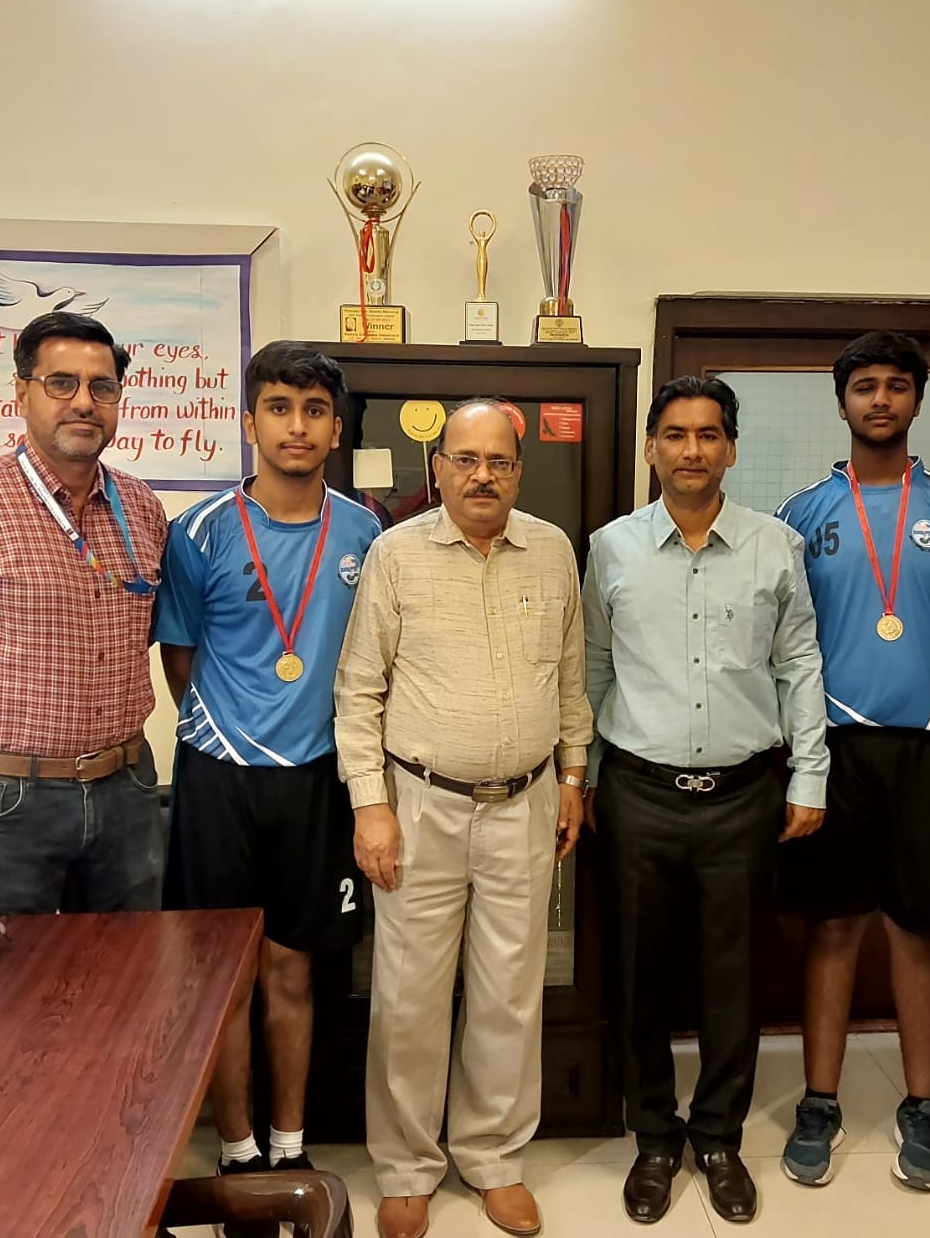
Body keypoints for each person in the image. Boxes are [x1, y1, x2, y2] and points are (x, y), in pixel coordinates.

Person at [334, 398, 591, 1238]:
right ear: (436, 469)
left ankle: (492, 1158)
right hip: (420, 805)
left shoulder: (552, 551)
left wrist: (574, 773)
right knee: (407, 996)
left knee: (509, 996)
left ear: (521, 470)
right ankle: (407, 1165)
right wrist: (371, 805)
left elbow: (570, 679)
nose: (484, 475)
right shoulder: (394, 555)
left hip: (523, 802)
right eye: (466, 459)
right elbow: (358, 690)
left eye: (501, 461)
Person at [582, 374, 829, 1225]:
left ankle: (718, 1137)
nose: (692, 450)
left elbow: (800, 665)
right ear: (652, 446)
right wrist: (579, 782)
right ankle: (654, 1136)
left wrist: (809, 775)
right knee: (638, 973)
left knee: (735, 977)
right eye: (676, 434)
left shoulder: (774, 546)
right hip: (638, 795)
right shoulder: (609, 547)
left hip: (743, 798)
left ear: (730, 447)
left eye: (709, 434)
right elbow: (592, 671)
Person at [152, 342, 380, 1231]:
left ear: (335, 426)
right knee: (224, 978)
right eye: (279, 407)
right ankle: (237, 1147)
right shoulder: (200, 529)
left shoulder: (365, 531)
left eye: (315, 409)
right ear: (249, 421)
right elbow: (181, 655)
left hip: (318, 780)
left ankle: (290, 1143)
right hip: (218, 778)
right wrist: (229, 730)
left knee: (296, 969)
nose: (297, 424)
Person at [773, 331, 930, 1192]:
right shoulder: (802, 513)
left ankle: (923, 1105)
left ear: (916, 401)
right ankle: (820, 1102)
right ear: (842, 403)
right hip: (829, 749)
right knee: (832, 927)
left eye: (896, 386)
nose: (879, 399)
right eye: (864, 386)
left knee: (919, 932)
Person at [0, 311, 166, 916]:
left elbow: (137, 636)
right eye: (61, 383)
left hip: (127, 791)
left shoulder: (141, 509)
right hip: (2, 804)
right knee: (6, 993)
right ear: (22, 393)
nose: (84, 403)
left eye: (102, 387)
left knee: (128, 982)